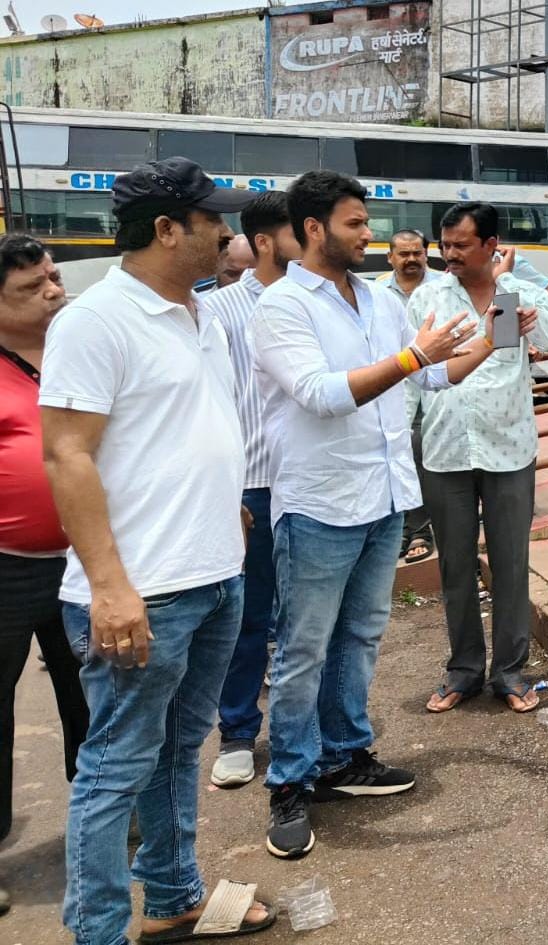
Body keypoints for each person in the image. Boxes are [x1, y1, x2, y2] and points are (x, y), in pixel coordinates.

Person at [39, 157, 275, 944]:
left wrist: (225, 505)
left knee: (177, 751)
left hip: (213, 575)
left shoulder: (198, 312)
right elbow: (67, 454)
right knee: (114, 769)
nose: (229, 234)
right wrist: (109, 586)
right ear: (168, 229)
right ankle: (98, 930)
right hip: (142, 591)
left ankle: (173, 896)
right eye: (214, 220)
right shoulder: (96, 321)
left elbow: (178, 430)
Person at [252, 172, 508, 860]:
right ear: (314, 229)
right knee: (304, 648)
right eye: (356, 224)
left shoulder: (375, 300)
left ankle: (344, 755)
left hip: (385, 496)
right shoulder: (282, 306)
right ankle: (291, 780)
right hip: (320, 502)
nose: (369, 235)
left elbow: (431, 375)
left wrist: (492, 337)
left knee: (361, 637)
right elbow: (320, 393)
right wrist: (413, 355)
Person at [407, 202, 548, 714]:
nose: (449, 254)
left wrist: (529, 318)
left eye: (461, 245)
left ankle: (510, 672)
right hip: (446, 447)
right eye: (445, 245)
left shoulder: (517, 293)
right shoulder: (429, 296)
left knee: (511, 564)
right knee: (455, 565)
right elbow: (413, 374)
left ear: (491, 245)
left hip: (509, 446)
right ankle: (464, 670)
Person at [0, 235, 89, 919]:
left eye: (53, 277)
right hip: (6, 568)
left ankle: (98, 820)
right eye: (33, 287)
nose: (54, 291)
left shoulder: (74, 352)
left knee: (92, 693)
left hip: (82, 560)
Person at [203, 192, 301, 790]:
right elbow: (207, 401)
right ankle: (237, 731)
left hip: (312, 484)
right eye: (297, 231)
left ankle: (302, 732)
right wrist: (226, 489)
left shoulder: (316, 299)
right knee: (248, 616)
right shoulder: (219, 312)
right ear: (265, 241)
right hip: (255, 487)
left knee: (307, 621)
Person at [377, 228, 443, 565]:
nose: (411, 259)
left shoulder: (444, 287)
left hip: (437, 386)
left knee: (426, 457)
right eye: (403, 254)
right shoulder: (376, 292)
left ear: (426, 254)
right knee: (399, 456)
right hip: (395, 388)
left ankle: (422, 528)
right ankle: (408, 528)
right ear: (390, 257)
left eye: (417, 252)